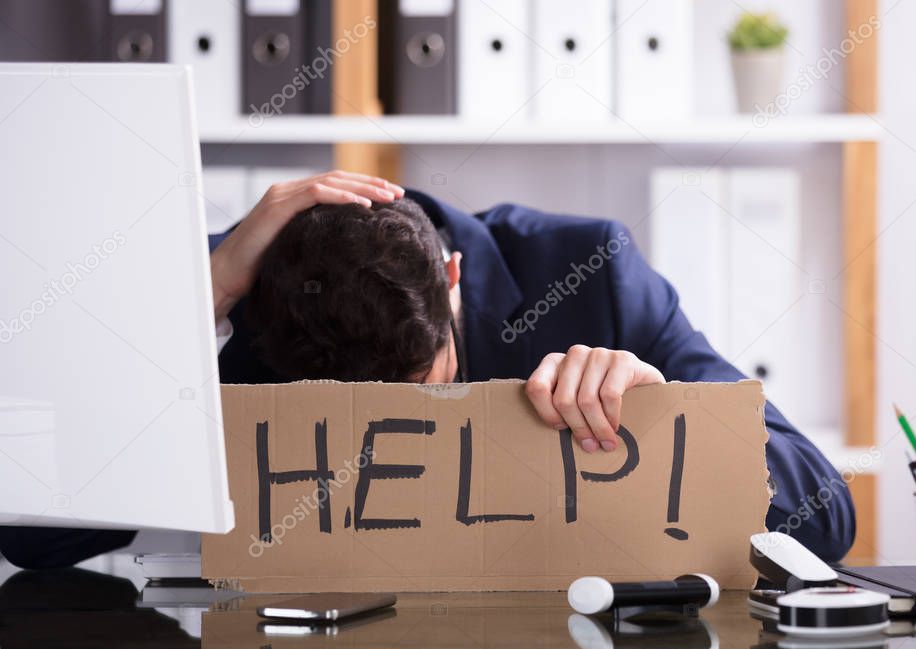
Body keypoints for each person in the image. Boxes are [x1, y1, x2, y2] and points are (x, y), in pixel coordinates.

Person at [0, 170, 855, 568]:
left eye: (423, 388)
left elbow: (825, 508)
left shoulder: (590, 272)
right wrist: (200, 297)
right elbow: (36, 536)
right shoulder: (257, 319)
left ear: (452, 279)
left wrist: (674, 424)